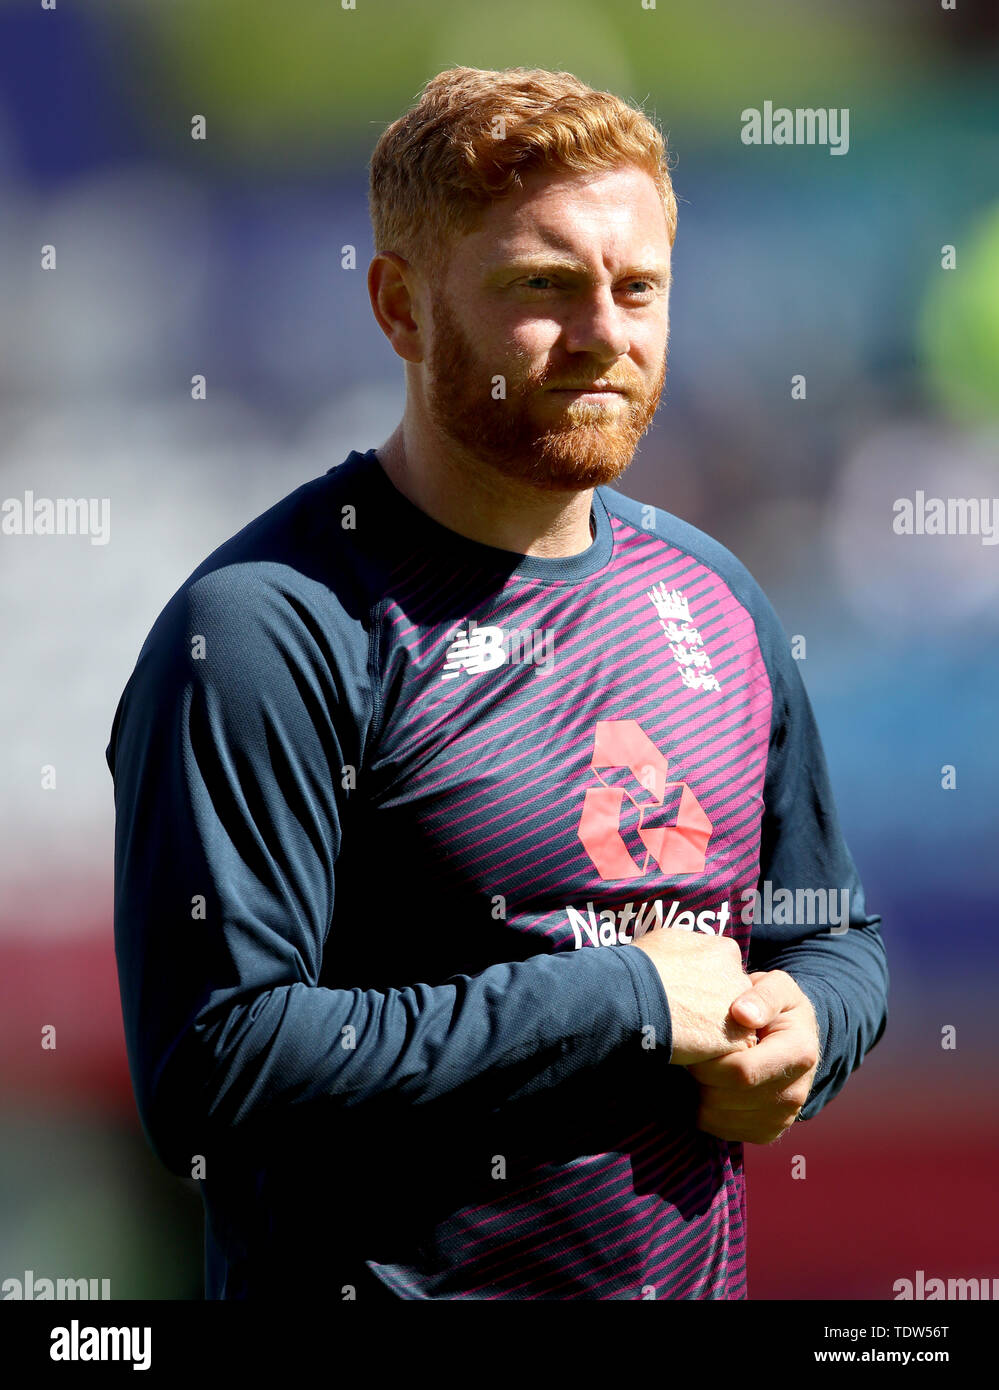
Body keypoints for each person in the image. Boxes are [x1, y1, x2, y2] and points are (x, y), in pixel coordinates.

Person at [106, 65, 888, 1301]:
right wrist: (622, 1000)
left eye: (639, 289)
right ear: (401, 307)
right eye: (544, 286)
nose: (606, 333)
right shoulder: (265, 629)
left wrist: (813, 1027)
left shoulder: (719, 599)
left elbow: (831, 933)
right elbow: (217, 1070)